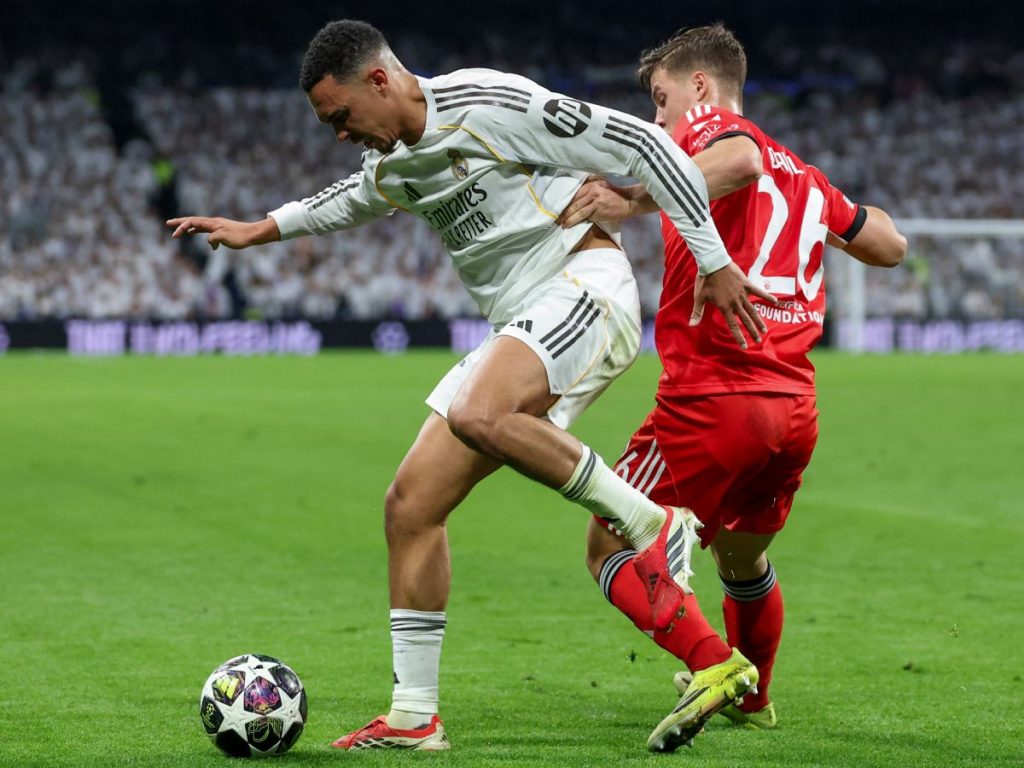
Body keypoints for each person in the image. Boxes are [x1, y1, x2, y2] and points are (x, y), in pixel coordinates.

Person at [167, 19, 776, 751]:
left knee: (477, 411)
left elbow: (645, 145)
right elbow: (352, 198)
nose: (339, 133)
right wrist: (257, 229)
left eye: (341, 116)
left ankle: (652, 522)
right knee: (411, 504)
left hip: (584, 283)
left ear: (381, 81)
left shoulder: (491, 103)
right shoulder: (393, 161)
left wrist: (711, 259)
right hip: (520, 320)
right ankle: (415, 716)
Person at [559, 23, 907, 752]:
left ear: (702, 89)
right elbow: (890, 246)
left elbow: (743, 159)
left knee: (604, 545)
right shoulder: (806, 179)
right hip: (793, 412)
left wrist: (629, 198)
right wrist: (833, 216)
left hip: (712, 400)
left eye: (662, 102)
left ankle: (712, 662)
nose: (659, 122)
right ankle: (758, 702)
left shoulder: (721, 134)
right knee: (744, 562)